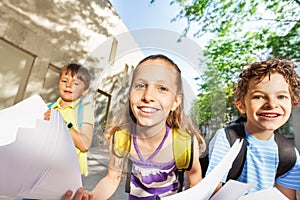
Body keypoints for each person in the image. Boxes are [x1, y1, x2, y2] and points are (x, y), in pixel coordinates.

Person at [62, 54, 205, 200]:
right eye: (140, 85)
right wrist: (91, 198)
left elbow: (195, 179)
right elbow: (112, 178)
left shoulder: (185, 142)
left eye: (162, 88)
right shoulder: (121, 138)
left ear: (176, 101)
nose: (148, 96)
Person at [206, 58, 300, 199]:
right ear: (241, 105)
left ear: (292, 102)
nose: (271, 104)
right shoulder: (227, 139)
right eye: (258, 97)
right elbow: (213, 191)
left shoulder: (289, 154)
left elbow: (286, 197)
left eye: (281, 96)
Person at [44, 63, 95, 176]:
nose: (69, 85)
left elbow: (85, 145)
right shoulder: (47, 107)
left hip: (65, 174)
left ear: (85, 90)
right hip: (40, 168)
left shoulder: (84, 111)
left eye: (76, 83)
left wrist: (62, 123)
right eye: (64, 81)